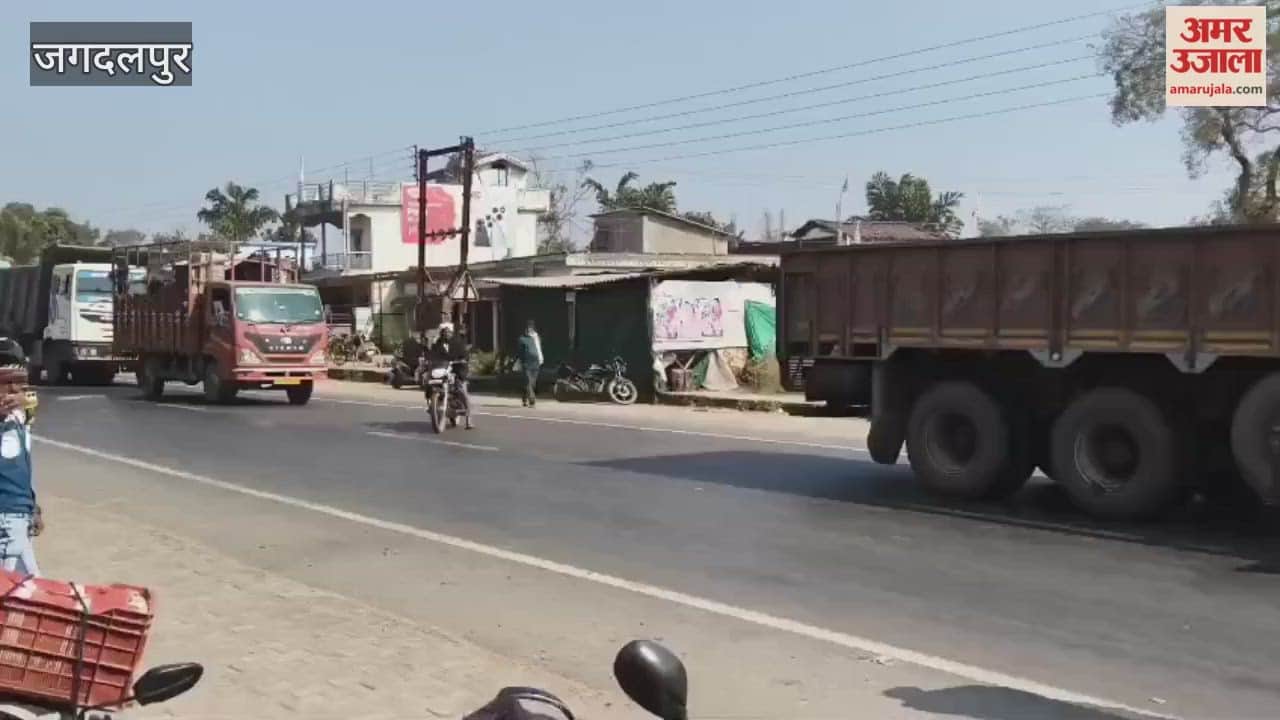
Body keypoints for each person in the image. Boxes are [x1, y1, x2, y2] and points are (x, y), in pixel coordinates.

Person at [0, 343, 41, 578]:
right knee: (23, 593)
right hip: (5, 519)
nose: (14, 390)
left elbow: (23, 467)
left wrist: (33, 507)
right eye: (6, 383)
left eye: (20, 384)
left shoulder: (21, 416)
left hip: (18, 517)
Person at [430, 323, 474, 429]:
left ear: (451, 332)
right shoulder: (437, 344)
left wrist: (463, 359)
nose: (446, 334)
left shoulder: (458, 342)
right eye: (444, 332)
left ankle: (469, 419)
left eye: (448, 332)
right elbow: (432, 355)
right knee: (429, 383)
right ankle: (432, 405)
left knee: (461, 389)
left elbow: (465, 354)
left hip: (457, 369)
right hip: (442, 369)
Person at [515, 320, 544, 408]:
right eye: (528, 328)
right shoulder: (522, 339)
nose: (529, 330)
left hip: (536, 363)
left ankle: (524, 398)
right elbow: (520, 352)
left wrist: (541, 358)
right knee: (528, 382)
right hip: (526, 363)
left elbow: (539, 348)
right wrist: (521, 361)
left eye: (531, 328)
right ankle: (532, 401)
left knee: (532, 383)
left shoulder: (537, 337)